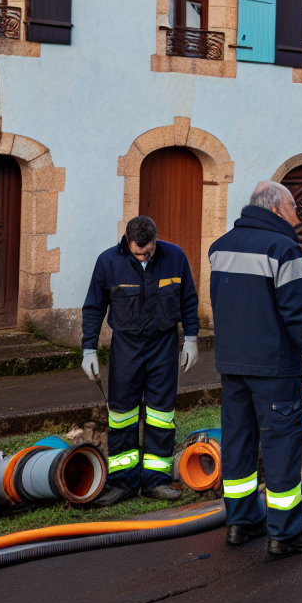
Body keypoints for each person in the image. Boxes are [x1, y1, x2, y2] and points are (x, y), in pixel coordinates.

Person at [208, 181, 302, 556]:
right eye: (295, 208)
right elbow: (298, 312)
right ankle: (286, 533)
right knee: (280, 448)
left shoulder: (221, 245)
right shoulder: (283, 248)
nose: (298, 216)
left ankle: (241, 523)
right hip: (274, 368)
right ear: (277, 209)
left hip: (232, 365)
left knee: (239, 443)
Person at [81, 215, 199, 506]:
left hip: (164, 345)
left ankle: (156, 481)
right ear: (127, 241)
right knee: (121, 416)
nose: (143, 257)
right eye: (137, 252)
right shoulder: (108, 262)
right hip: (126, 348)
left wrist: (192, 339)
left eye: (148, 251)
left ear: (156, 240)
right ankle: (122, 483)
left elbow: (188, 299)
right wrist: (88, 349)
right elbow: (94, 306)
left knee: (161, 415)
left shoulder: (175, 257)